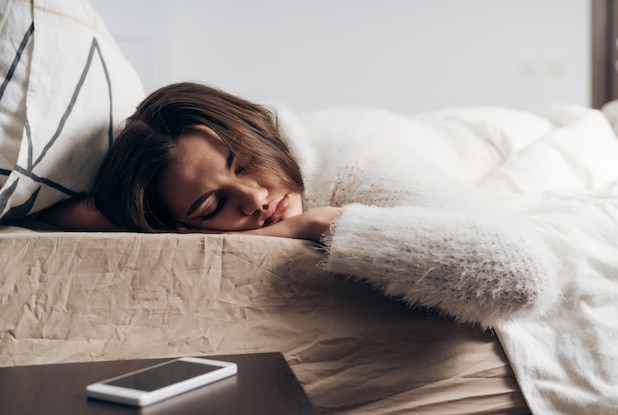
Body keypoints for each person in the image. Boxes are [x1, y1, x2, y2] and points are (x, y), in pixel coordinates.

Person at [41, 81, 557, 327]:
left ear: (255, 132)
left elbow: (518, 274)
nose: (255, 198)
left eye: (242, 162)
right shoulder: (166, 198)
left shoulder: (358, 166)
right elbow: (55, 209)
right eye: (211, 203)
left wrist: (324, 224)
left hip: (493, 138)